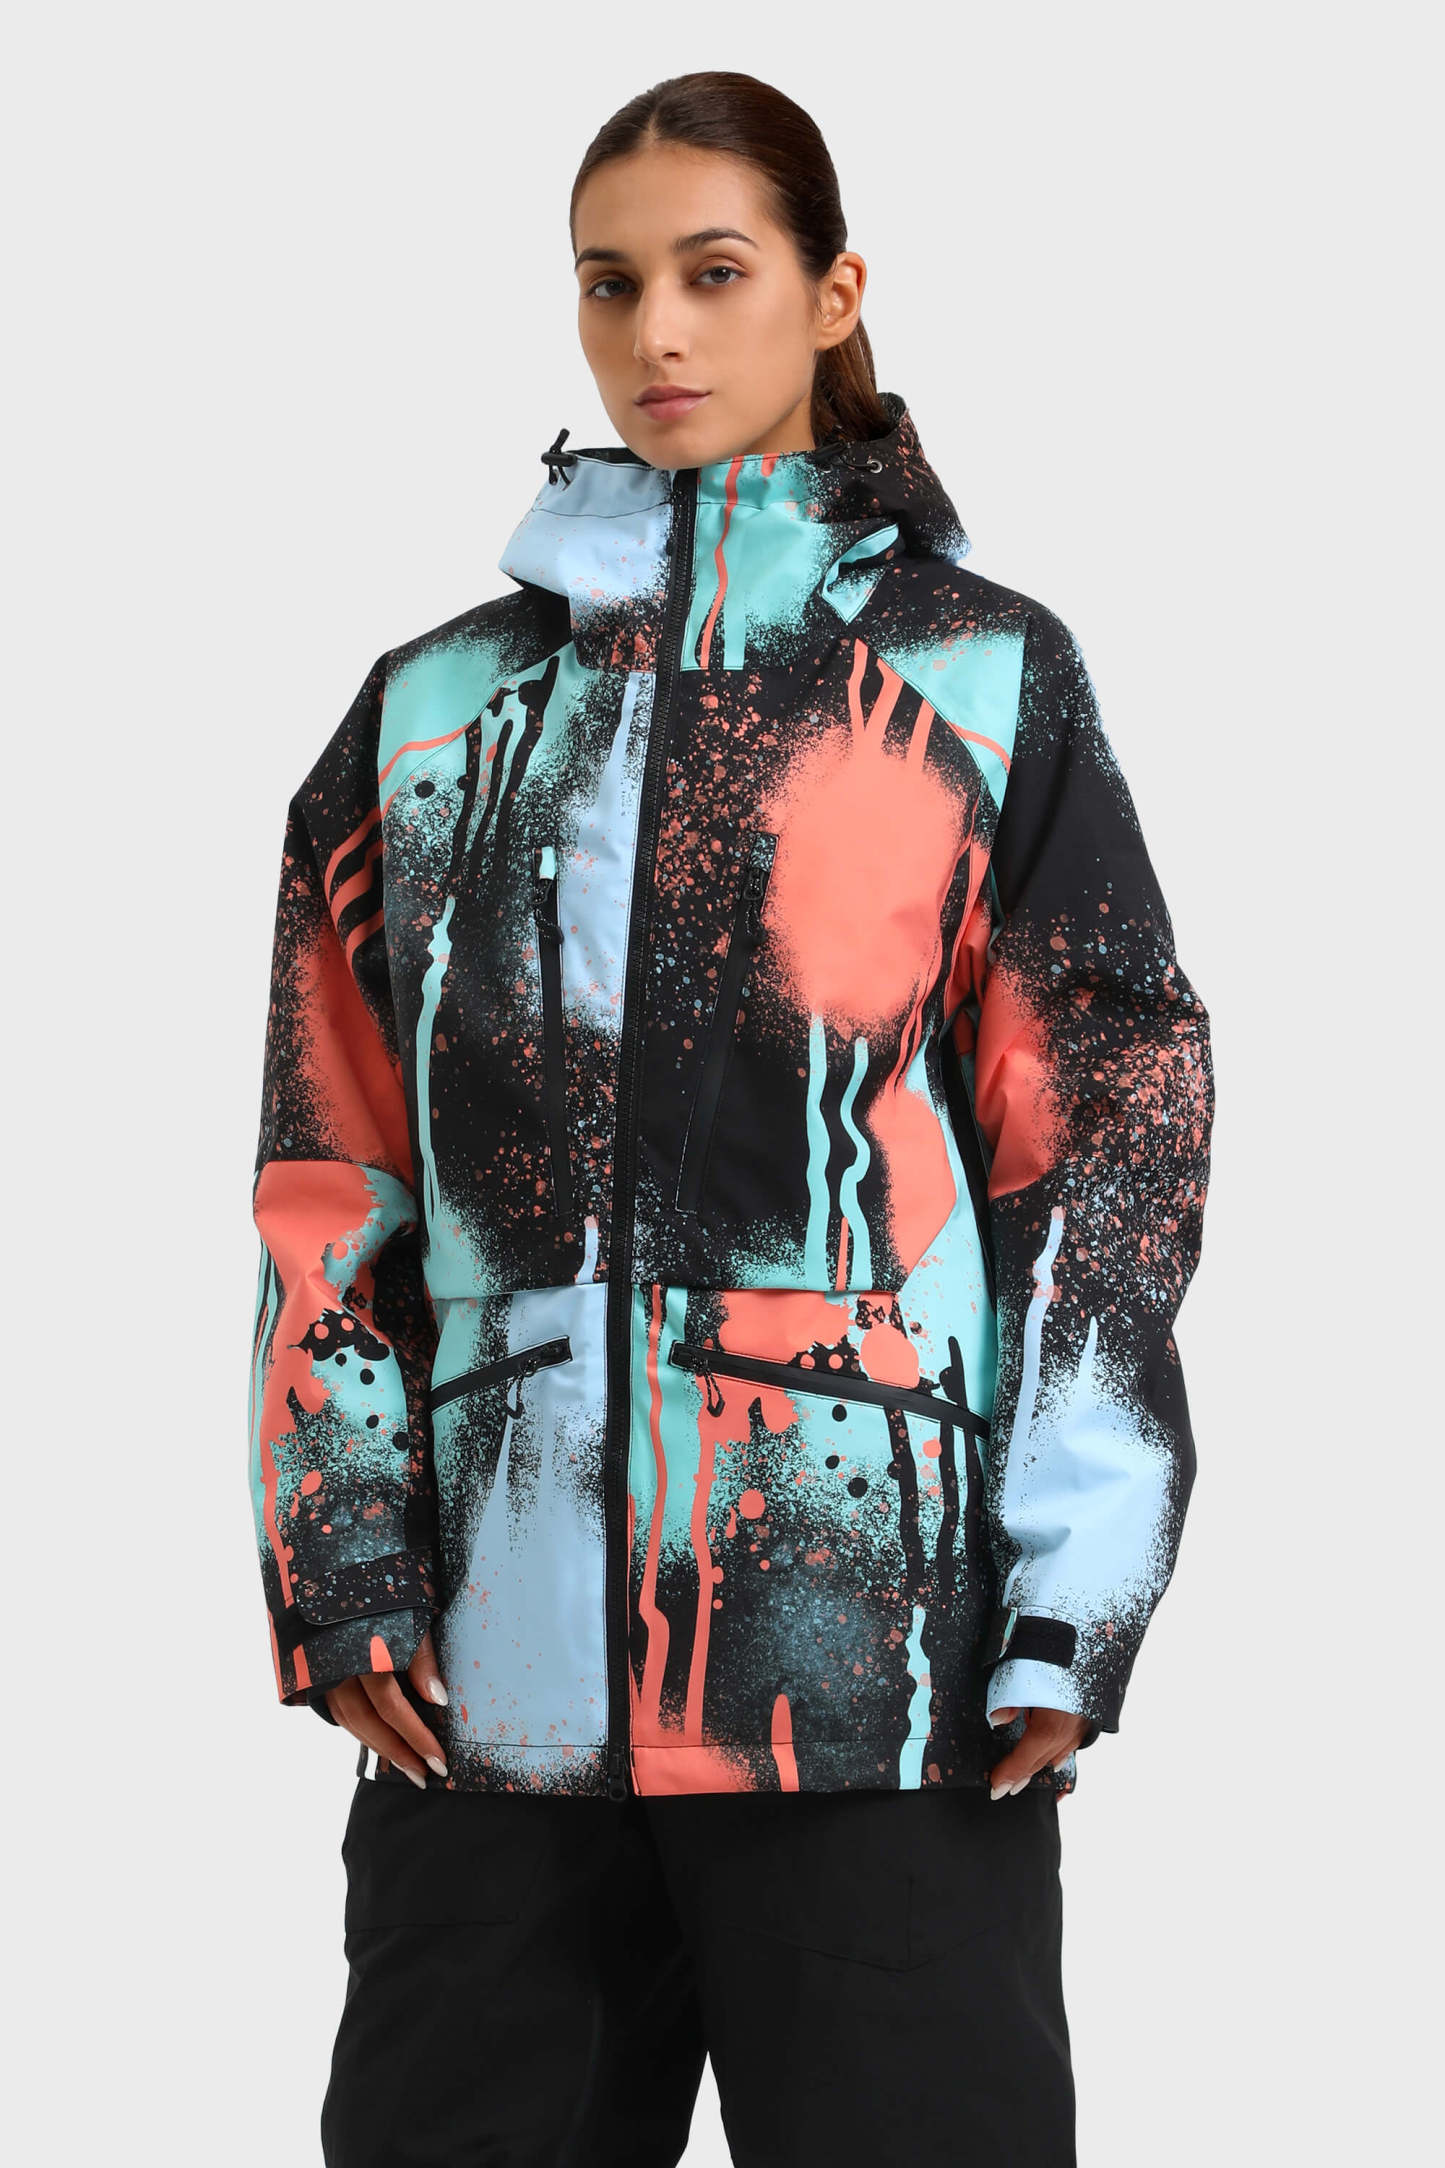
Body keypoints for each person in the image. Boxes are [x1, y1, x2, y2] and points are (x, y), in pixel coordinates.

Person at [247, 67, 1213, 2168]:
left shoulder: (980, 685)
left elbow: (1105, 1144)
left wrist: (1075, 1591)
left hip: (873, 1674)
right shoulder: (431, 713)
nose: (657, 334)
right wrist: (340, 1553)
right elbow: (333, 1178)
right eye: (610, 284)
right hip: (492, 1707)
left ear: (831, 292)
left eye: (713, 273)